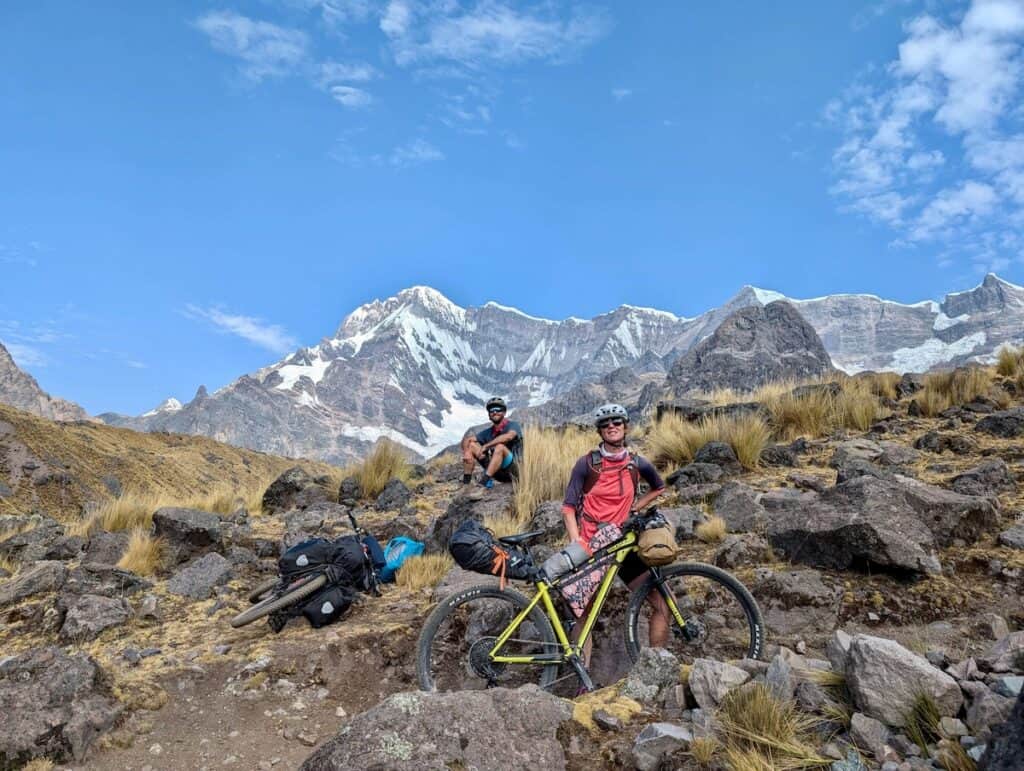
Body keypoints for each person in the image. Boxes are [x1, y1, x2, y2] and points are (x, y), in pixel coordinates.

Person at [560, 403, 668, 668]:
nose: (612, 427)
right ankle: (582, 681)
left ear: (625, 426)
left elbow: (659, 487)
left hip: (625, 544)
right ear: (599, 430)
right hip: (593, 545)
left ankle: (655, 670)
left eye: (616, 423)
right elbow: (568, 508)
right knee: (583, 616)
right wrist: (577, 542)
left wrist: (635, 507)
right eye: (606, 424)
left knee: (662, 604)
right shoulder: (587, 464)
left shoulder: (637, 463)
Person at [460, 397, 523, 488]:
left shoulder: (512, 425)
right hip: (497, 472)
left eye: (498, 409)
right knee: (471, 445)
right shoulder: (489, 432)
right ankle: (466, 483)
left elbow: (509, 436)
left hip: (514, 470)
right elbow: (468, 439)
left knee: (500, 447)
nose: (494, 412)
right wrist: (466, 452)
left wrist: (486, 446)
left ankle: (484, 482)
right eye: (491, 410)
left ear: (504, 412)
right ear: (489, 415)